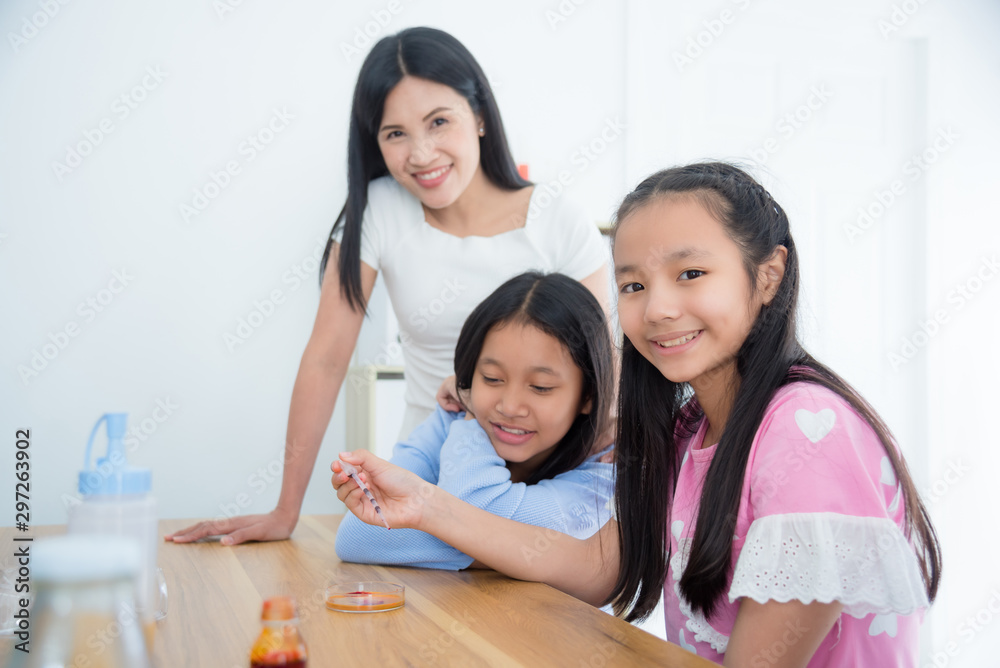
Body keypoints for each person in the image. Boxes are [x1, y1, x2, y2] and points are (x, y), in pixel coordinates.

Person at [332, 162, 942, 666]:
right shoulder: (682, 433)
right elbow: (595, 569)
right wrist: (425, 503)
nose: (658, 309)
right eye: (633, 285)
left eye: (691, 274)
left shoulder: (809, 429)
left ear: (768, 274)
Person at [166, 27, 609, 546]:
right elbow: (326, 359)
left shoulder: (557, 220)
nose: (420, 154)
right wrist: (286, 510)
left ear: (481, 115)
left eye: (439, 122)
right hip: (433, 466)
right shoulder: (380, 210)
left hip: (546, 481)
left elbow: (600, 368)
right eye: (394, 133)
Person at [335, 272, 615, 569]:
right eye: (492, 378)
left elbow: (478, 511)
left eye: (541, 387)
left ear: (588, 396)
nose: (509, 406)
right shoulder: (454, 421)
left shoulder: (604, 469)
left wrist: (422, 535)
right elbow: (358, 534)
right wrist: (470, 410)